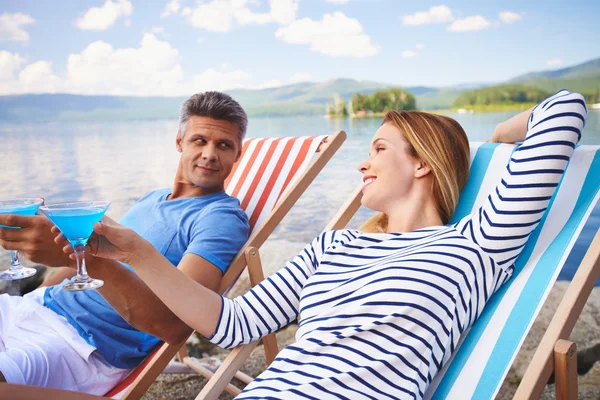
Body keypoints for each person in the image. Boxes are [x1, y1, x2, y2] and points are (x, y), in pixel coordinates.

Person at [61, 90, 587, 399]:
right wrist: (132, 252)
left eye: (379, 148)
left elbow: (565, 108)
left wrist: (490, 139)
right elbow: (230, 323)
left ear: (423, 162)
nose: (363, 162)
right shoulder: (332, 247)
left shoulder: (478, 243)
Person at [0, 92, 250, 395]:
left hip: (80, 346)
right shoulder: (153, 198)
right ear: (179, 143)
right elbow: (89, 252)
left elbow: (174, 325)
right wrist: (37, 293)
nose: (210, 153)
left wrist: (79, 258)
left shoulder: (220, 218)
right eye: (199, 140)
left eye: (224, 145)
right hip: (32, 307)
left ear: (237, 155)